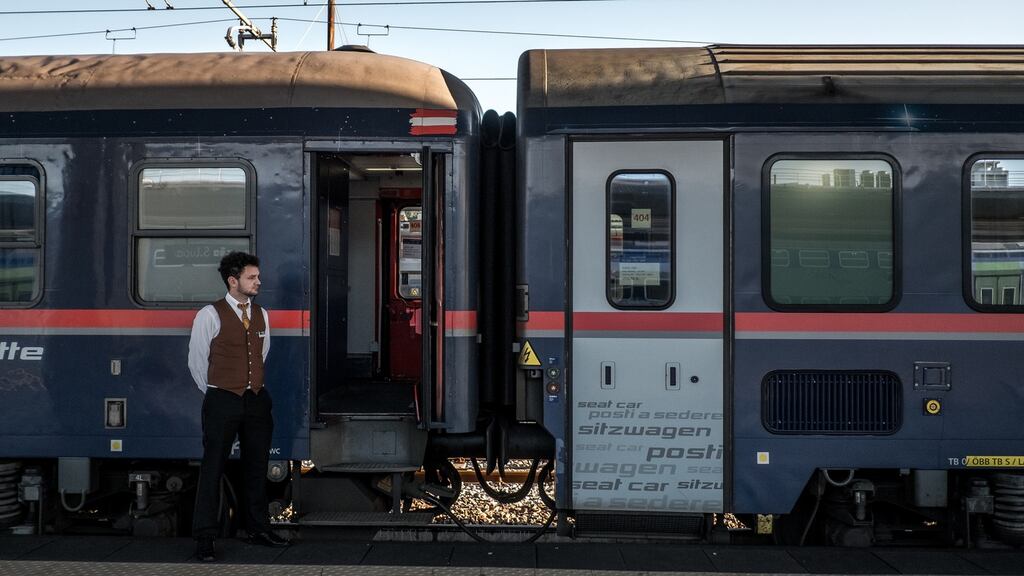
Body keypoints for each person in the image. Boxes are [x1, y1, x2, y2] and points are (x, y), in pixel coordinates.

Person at [188, 251, 289, 562]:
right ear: (233, 281)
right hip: (222, 399)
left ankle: (258, 529)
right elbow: (196, 361)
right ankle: (205, 538)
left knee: (256, 467)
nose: (258, 281)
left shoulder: (261, 314)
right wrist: (219, 392)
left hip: (256, 400)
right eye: (252, 277)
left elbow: (262, 352)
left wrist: (249, 387)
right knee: (213, 468)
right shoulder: (210, 314)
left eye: (257, 276)